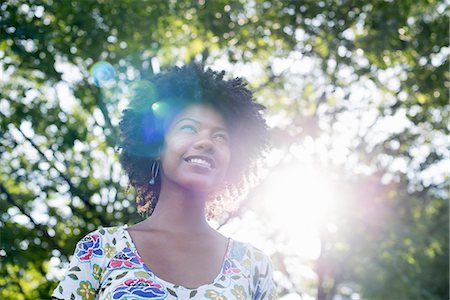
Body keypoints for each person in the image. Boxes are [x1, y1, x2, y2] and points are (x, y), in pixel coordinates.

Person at [52, 62, 277, 299]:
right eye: (189, 128)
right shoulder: (101, 248)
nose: (206, 143)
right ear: (157, 146)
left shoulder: (253, 266)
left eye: (220, 136)